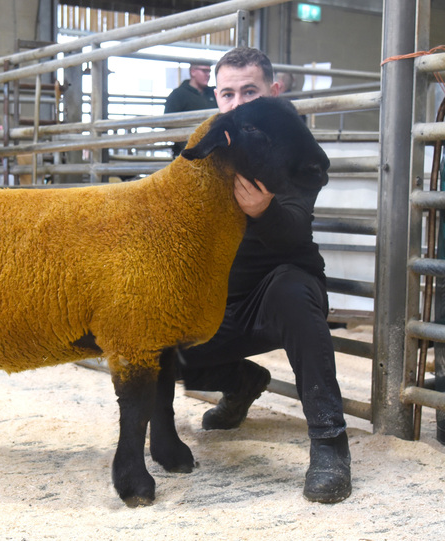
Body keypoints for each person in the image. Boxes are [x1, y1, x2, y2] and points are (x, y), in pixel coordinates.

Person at [177, 47, 351, 504]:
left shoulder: (296, 147)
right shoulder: (208, 148)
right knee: (155, 347)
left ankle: (330, 443)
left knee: (294, 294)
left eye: (249, 92)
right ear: (215, 96)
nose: (237, 105)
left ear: (273, 92)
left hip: (278, 287)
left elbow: (293, 230)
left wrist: (264, 209)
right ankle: (240, 384)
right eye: (228, 94)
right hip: (221, 301)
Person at [164, 61, 217, 157]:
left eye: (209, 71)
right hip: (187, 152)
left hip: (214, 151)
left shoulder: (214, 93)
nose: (208, 75)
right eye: (204, 71)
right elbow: (169, 124)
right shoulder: (178, 95)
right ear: (193, 72)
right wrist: (189, 147)